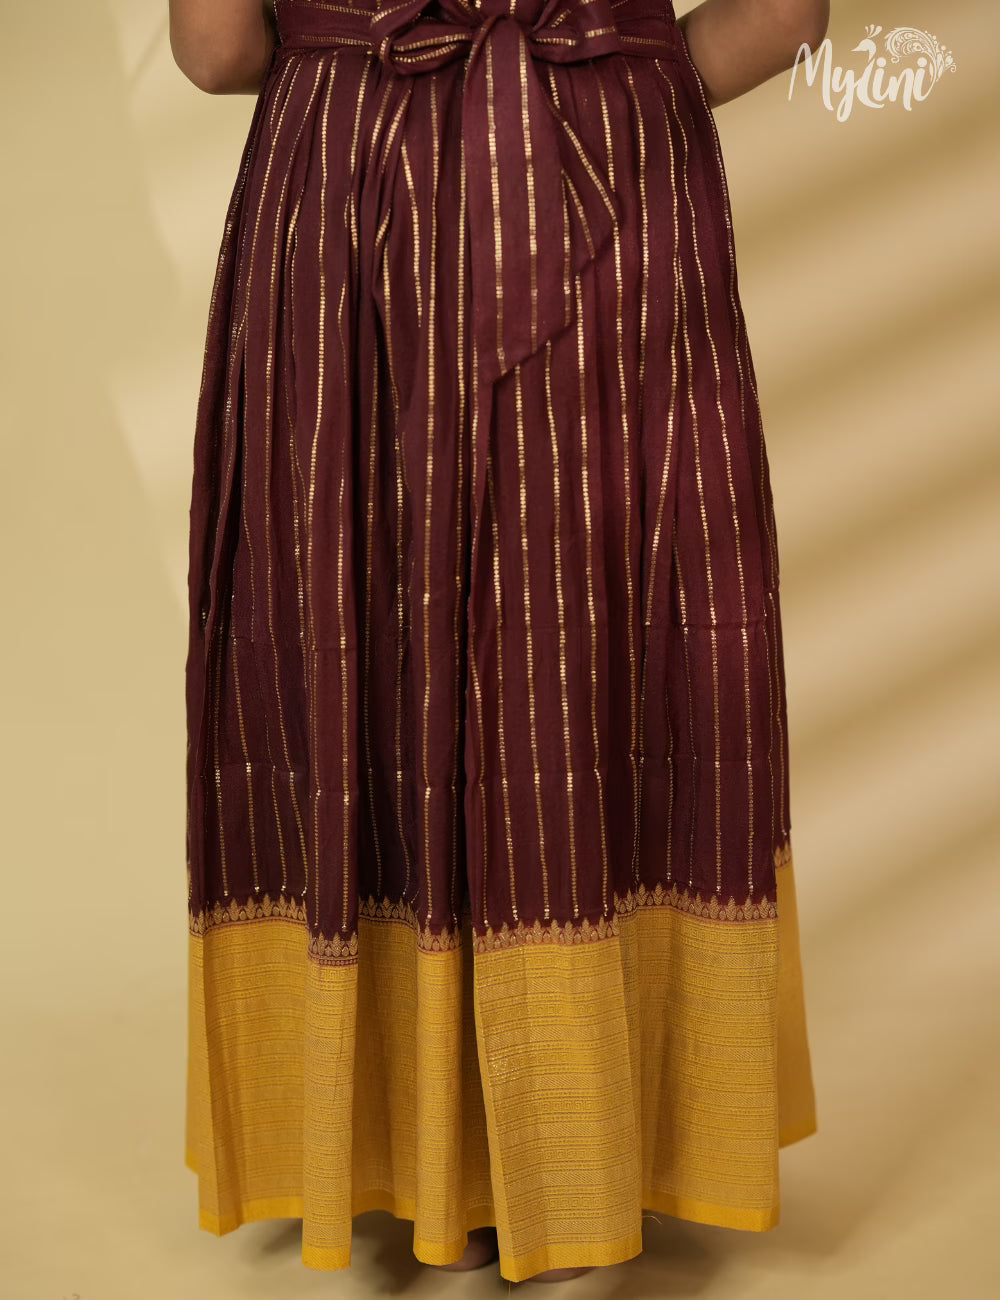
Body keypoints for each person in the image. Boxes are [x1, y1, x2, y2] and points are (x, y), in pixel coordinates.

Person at [171, 0, 825, 1284]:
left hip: (351, 179)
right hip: (608, 158)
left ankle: (416, 1160)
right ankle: (587, 1144)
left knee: (356, 622)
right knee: (601, 634)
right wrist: (616, 72)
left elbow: (219, 51)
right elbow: (788, 13)